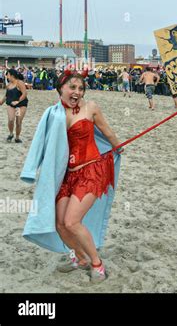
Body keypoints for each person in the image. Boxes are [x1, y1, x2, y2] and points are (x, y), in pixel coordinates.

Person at [53, 71, 120, 282]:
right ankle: (81, 259)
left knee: (72, 222)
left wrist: (118, 148)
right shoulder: (54, 114)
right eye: (72, 88)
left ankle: (97, 264)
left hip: (91, 172)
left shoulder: (90, 107)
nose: (77, 92)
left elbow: (107, 131)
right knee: (60, 224)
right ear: (61, 89)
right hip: (67, 176)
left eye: (80, 88)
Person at [0, 69, 29, 143]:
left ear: (12, 75)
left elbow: (25, 93)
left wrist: (18, 101)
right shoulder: (8, 85)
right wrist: (1, 102)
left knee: (18, 122)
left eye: (8, 75)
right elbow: (6, 96)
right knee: (11, 119)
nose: (7, 77)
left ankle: (17, 137)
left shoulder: (19, 83)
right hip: (11, 104)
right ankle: (11, 134)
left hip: (20, 105)